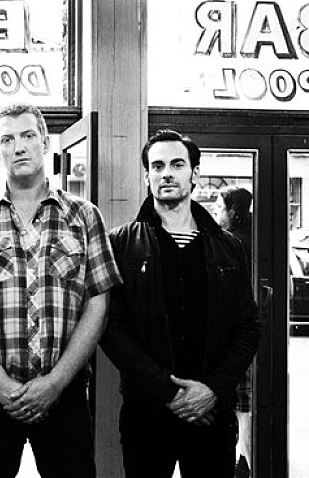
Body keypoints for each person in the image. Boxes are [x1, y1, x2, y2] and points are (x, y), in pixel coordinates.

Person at [0, 103, 123, 478]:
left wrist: (55, 383)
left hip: (64, 396)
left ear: (45, 142)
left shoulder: (84, 216)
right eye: (7, 139)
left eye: (27, 136)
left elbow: (98, 305)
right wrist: (0, 383)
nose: (18, 146)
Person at [101, 130, 261, 478]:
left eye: (177, 165)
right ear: (147, 176)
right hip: (147, 413)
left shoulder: (228, 247)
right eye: (157, 167)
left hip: (212, 413)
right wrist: (169, 392)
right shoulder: (122, 244)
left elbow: (248, 326)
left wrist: (212, 390)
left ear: (195, 174)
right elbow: (111, 328)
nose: (166, 174)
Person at [213, 186, 254, 478]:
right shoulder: (254, 239)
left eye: (219, 207)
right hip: (248, 330)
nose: (216, 213)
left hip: (234, 331)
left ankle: (245, 462)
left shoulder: (232, 243)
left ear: (233, 211)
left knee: (241, 402)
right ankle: (244, 459)